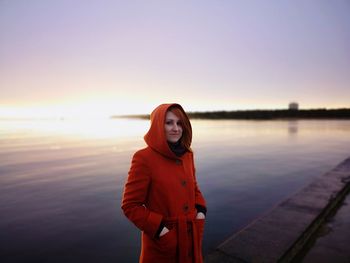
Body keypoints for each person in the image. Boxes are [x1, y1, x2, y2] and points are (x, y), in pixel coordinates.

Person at [121, 103, 207, 263]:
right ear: (157, 125)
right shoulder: (143, 158)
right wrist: (161, 229)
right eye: (169, 123)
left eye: (179, 123)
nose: (176, 128)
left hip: (191, 236)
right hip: (163, 244)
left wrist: (201, 211)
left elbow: (193, 186)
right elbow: (130, 206)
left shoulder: (187, 154)